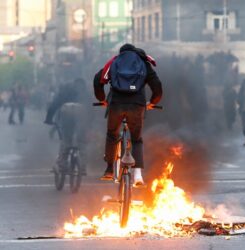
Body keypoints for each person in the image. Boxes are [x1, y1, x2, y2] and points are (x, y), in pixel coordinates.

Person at [94, 43, 163, 185]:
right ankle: (138, 175)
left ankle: (109, 170)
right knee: (136, 139)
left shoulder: (114, 62)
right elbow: (157, 86)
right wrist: (152, 102)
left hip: (116, 104)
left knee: (112, 134)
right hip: (137, 105)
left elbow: (98, 79)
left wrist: (102, 99)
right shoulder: (144, 63)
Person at [44, 78, 90, 175]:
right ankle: (82, 167)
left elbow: (55, 104)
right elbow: (91, 107)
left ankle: (62, 165)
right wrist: (89, 124)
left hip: (66, 110)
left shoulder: (65, 89)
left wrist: (48, 119)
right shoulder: (86, 92)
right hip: (81, 111)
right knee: (81, 142)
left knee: (66, 140)